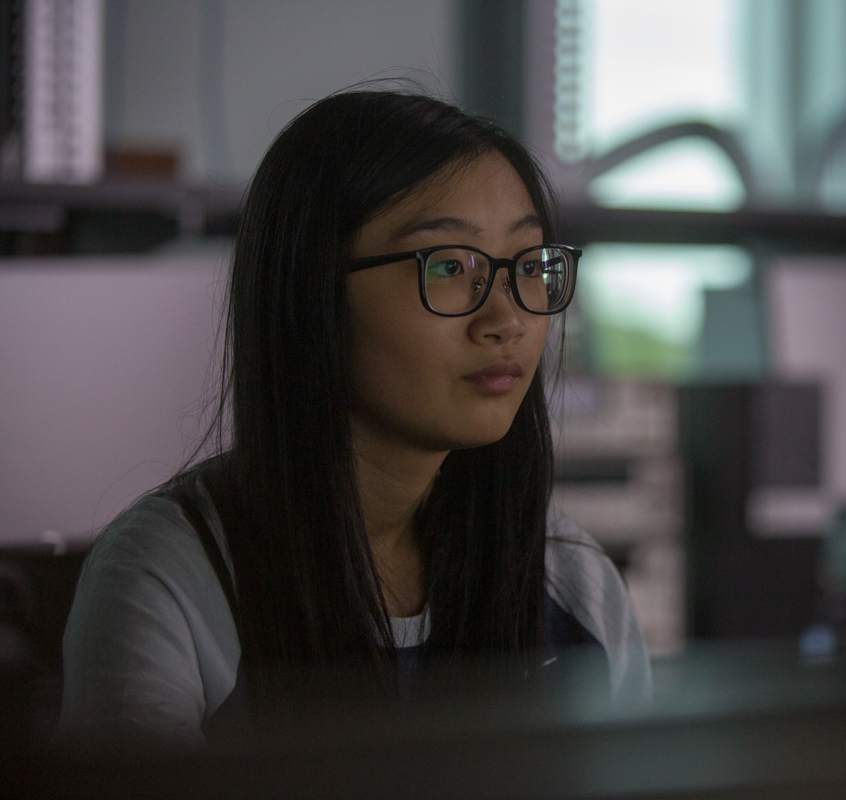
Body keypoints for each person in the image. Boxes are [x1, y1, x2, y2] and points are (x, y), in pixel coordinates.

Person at [58, 90, 650, 746]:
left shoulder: (571, 579)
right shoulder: (171, 580)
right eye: (451, 265)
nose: (507, 319)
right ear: (313, 292)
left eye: (530, 265)